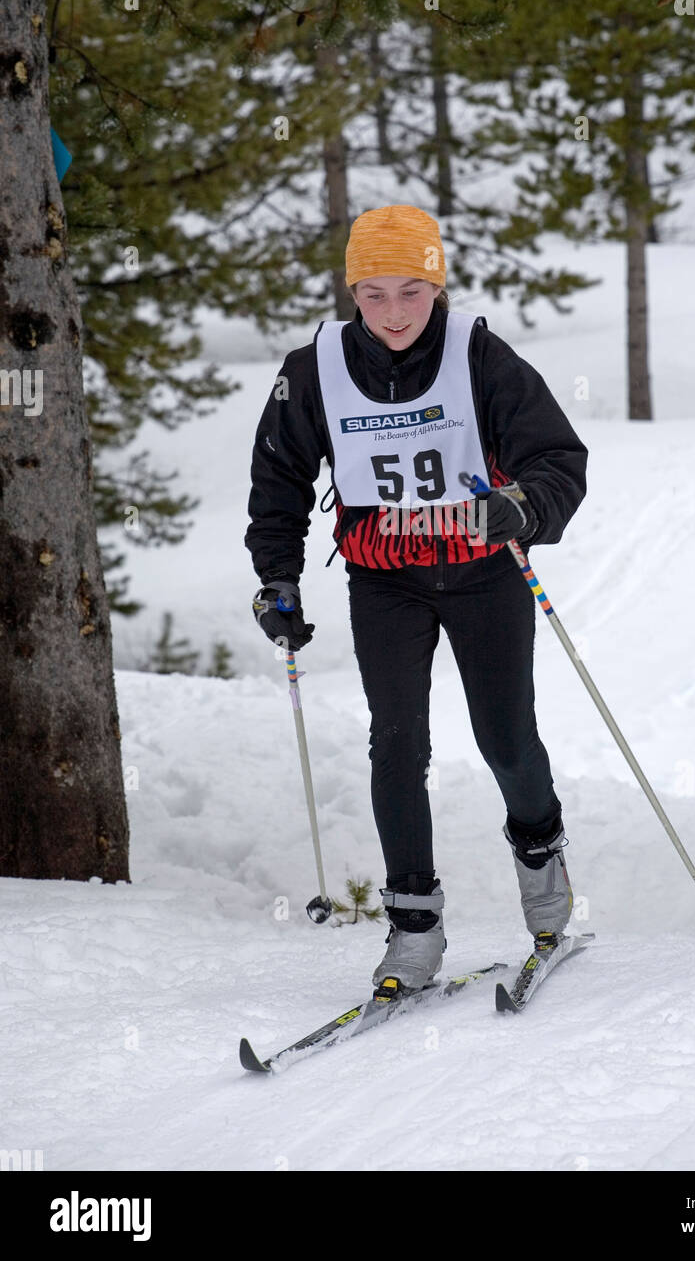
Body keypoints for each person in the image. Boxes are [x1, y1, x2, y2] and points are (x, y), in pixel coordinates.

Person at [245, 205, 588, 996]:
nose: (394, 313)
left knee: (506, 741)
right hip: (387, 580)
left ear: (436, 285)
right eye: (374, 294)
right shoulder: (314, 368)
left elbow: (556, 456)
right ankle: (414, 929)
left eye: (411, 291)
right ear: (351, 291)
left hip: (482, 572)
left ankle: (543, 879)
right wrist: (279, 579)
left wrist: (525, 507)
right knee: (396, 745)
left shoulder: (479, 355)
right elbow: (279, 481)